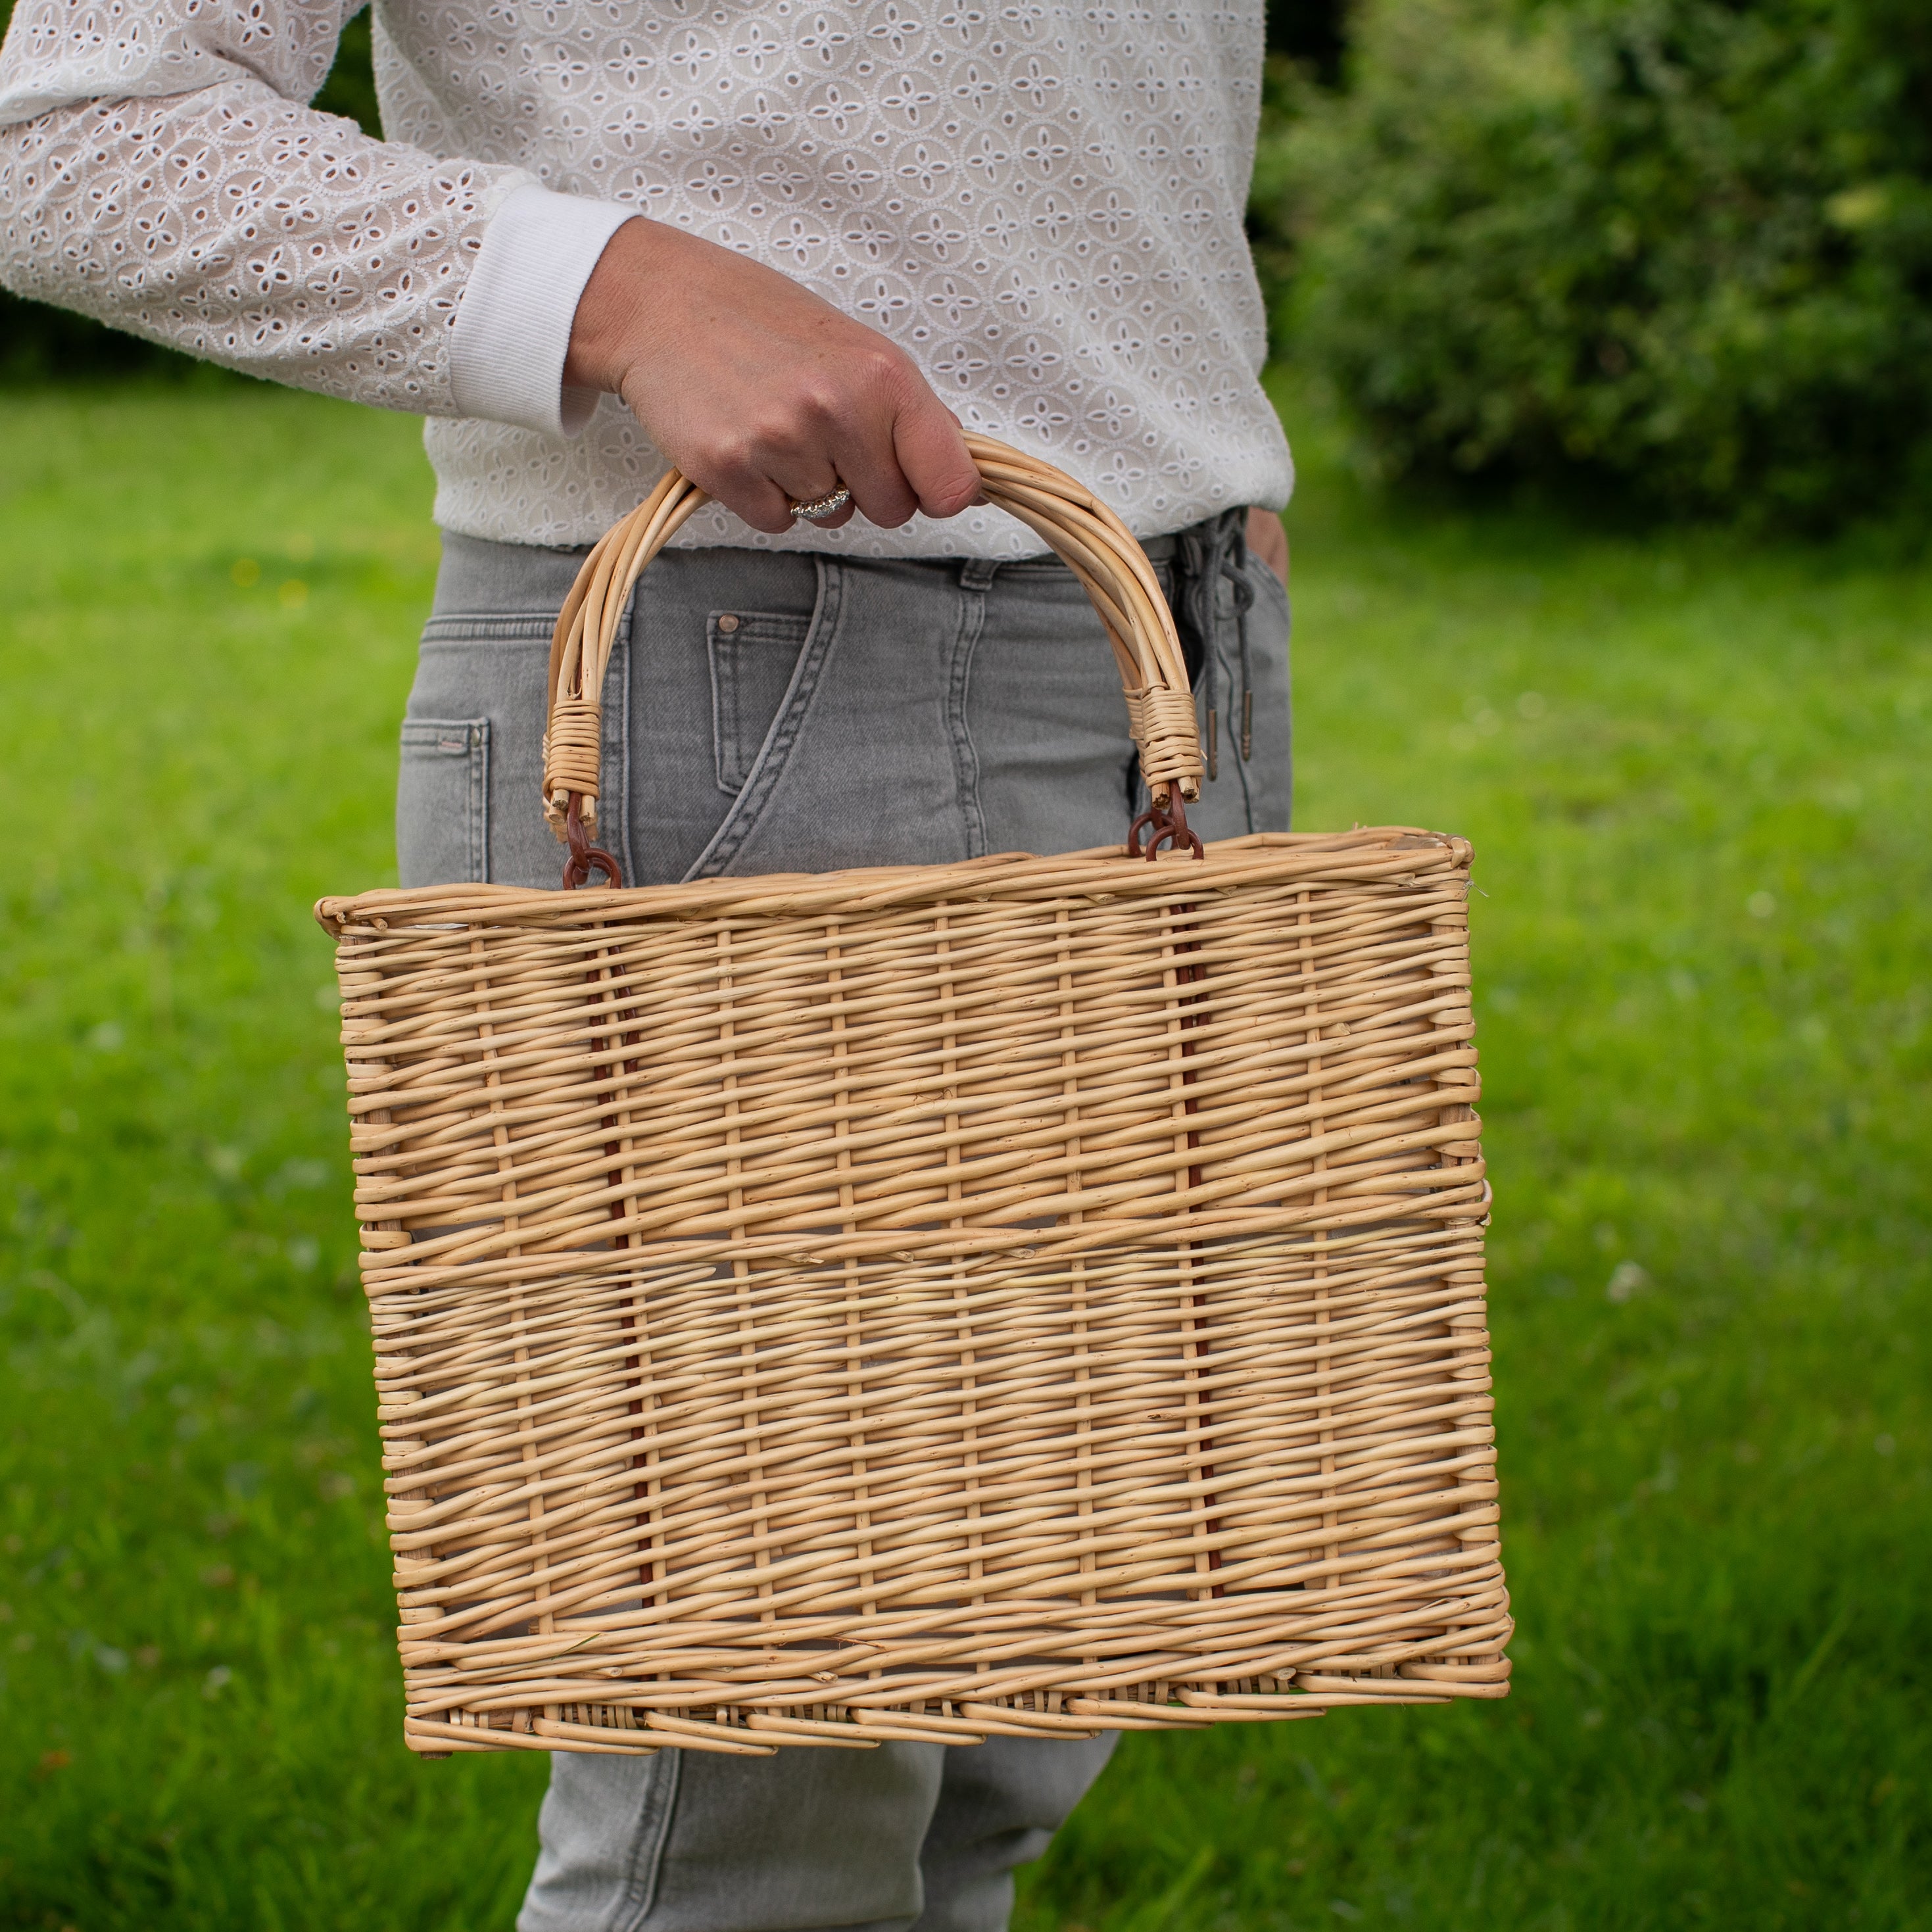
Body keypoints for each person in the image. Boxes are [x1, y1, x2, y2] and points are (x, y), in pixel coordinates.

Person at [0, 0, 1293, 1921]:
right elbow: (67, 123)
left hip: (1153, 634)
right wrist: (612, 290)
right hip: (737, 656)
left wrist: (1192, 435)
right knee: (755, 1804)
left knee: (1001, 1736)